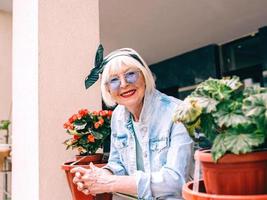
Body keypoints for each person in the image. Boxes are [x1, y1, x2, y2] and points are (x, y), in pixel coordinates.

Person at [71, 45, 193, 200]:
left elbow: (175, 182)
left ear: (144, 76)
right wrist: (98, 175)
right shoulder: (118, 116)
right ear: (107, 89)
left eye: (130, 74)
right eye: (114, 80)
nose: (123, 84)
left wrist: (109, 183)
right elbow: (117, 164)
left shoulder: (177, 112)